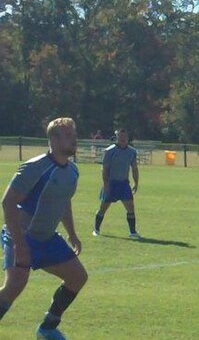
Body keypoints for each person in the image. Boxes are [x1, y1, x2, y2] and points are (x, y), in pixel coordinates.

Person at [0, 118, 87, 340]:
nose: (74, 139)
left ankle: (47, 328)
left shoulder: (73, 171)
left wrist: (72, 233)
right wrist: (20, 244)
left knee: (77, 277)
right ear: (53, 139)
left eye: (74, 134)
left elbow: (63, 201)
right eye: (68, 135)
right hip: (21, 236)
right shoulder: (35, 167)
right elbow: (8, 202)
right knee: (15, 286)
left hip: (47, 238)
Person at [92, 129, 141, 239]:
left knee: (130, 207)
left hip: (124, 184)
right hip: (111, 183)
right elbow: (104, 169)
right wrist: (106, 184)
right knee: (103, 207)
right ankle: (96, 229)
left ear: (128, 138)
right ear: (117, 137)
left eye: (125, 136)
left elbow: (134, 168)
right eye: (120, 136)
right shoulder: (109, 151)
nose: (123, 139)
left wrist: (136, 183)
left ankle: (133, 232)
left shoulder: (132, 152)